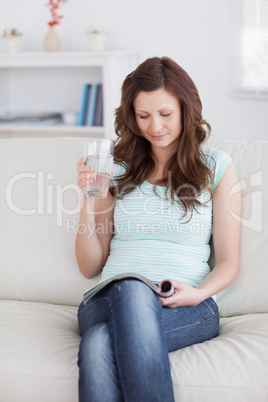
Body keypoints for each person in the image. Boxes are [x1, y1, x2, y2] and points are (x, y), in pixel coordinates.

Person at [75, 56, 241, 402]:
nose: (155, 126)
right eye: (143, 115)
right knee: (134, 290)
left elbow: (228, 261)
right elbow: (90, 265)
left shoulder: (217, 168)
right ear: (131, 117)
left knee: (97, 345)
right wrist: (85, 199)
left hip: (188, 305)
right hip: (109, 300)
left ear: (186, 110)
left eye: (165, 114)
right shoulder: (116, 168)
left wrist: (197, 295)